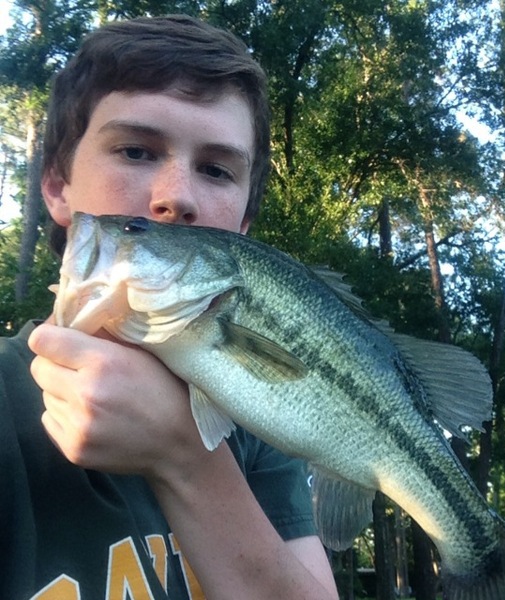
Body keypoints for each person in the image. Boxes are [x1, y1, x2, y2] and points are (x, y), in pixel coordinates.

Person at [0, 15, 338, 600]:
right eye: (135, 150)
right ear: (56, 186)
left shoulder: (261, 423)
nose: (176, 195)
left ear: (243, 225)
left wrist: (185, 459)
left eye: (216, 170)